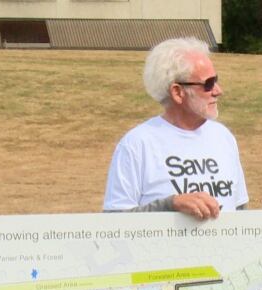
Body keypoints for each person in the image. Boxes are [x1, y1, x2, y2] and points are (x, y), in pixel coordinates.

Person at [103, 37, 249, 219]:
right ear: (177, 92)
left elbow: (240, 209)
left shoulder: (223, 137)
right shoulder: (137, 144)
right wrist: (171, 205)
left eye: (216, 80)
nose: (218, 90)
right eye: (208, 84)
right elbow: (113, 222)